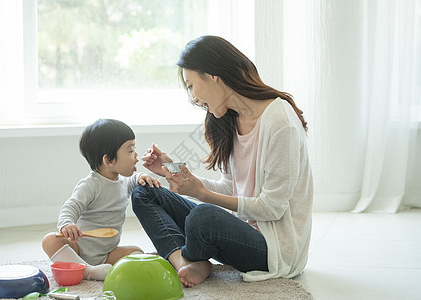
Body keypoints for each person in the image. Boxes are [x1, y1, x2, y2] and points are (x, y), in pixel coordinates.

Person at [131, 35, 313, 287]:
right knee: (145, 193)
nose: (193, 97)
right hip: (235, 232)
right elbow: (231, 188)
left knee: (204, 217)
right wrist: (171, 170)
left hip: (273, 251)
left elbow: (273, 208)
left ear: (213, 75)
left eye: (191, 85)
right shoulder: (228, 120)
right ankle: (186, 262)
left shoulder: (280, 122)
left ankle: (191, 254)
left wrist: (203, 195)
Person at [42, 118, 161, 281]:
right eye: (130, 150)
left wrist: (142, 176)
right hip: (78, 248)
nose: (136, 156)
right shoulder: (91, 185)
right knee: (49, 241)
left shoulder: (123, 181)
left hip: (106, 253)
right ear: (109, 160)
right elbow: (72, 205)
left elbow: (134, 179)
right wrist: (67, 224)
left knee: (137, 251)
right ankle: (87, 271)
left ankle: (98, 268)